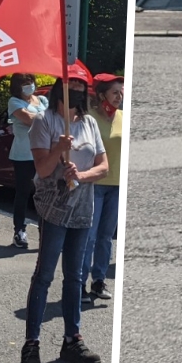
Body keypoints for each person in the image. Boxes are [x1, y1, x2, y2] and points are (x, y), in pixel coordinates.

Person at [20, 76, 108, 363]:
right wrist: (58, 150)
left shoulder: (89, 123)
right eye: (73, 90)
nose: (78, 95)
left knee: (75, 277)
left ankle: (72, 338)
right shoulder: (44, 121)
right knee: (44, 274)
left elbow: (103, 166)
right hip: (54, 208)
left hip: (83, 207)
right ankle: (32, 342)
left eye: (82, 91)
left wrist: (81, 175)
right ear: (61, 91)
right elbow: (43, 170)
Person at [84, 74, 123, 303]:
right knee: (89, 237)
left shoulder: (124, 117)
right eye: (115, 92)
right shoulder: (90, 119)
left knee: (106, 238)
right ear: (101, 95)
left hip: (116, 185)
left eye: (121, 92)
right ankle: (80, 285)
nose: (119, 96)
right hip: (95, 185)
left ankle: (98, 281)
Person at [7, 73, 48, 249]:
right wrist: (45, 120)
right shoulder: (14, 102)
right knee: (23, 193)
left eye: (30, 82)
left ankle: (46, 232)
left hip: (45, 153)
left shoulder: (42, 100)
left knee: (46, 194)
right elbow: (29, 119)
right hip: (23, 154)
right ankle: (19, 230)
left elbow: (51, 120)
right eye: (24, 83)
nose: (28, 85)